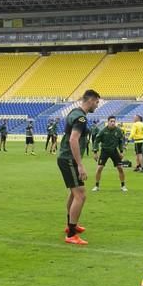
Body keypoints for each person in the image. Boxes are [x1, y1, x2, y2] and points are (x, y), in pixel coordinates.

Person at [57, 89, 101, 245]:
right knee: (80, 195)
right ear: (90, 100)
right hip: (69, 159)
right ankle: (71, 234)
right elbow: (73, 140)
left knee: (74, 192)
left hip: (66, 158)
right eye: (96, 102)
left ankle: (71, 226)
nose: (97, 105)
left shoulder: (74, 112)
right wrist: (80, 165)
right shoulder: (81, 118)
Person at [92, 115, 128, 192]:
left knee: (120, 168)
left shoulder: (118, 131)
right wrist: (95, 152)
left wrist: (121, 152)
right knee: (99, 168)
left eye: (114, 121)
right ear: (108, 122)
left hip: (114, 151)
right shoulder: (103, 131)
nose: (112, 123)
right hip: (104, 151)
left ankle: (123, 186)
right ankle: (96, 186)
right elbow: (96, 141)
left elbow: (121, 141)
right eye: (111, 121)